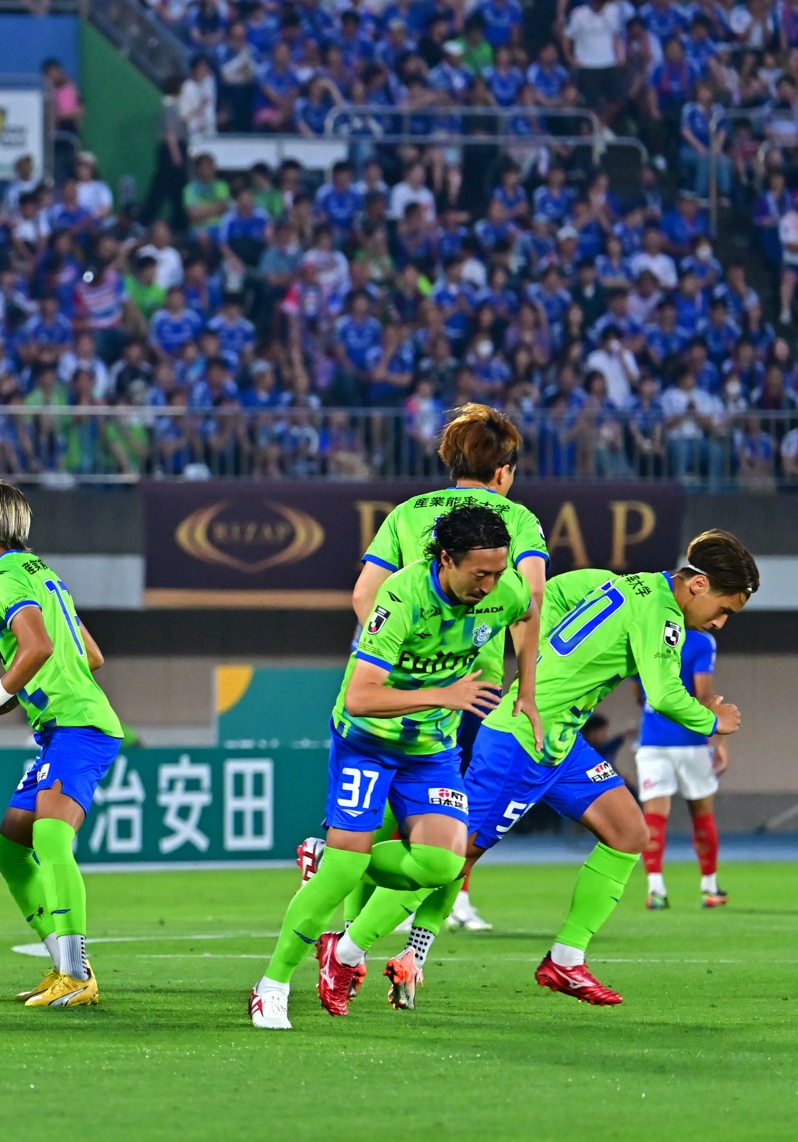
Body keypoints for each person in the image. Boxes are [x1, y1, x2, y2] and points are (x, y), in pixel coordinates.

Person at [412, 530, 752, 1007]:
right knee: (452, 855)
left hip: (561, 742)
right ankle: (353, 915)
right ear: (697, 585)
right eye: (723, 609)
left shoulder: (620, 583)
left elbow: (543, 599)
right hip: (523, 740)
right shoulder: (664, 615)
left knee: (629, 832)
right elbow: (665, 695)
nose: (718, 623)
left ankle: (565, 960)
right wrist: (715, 719)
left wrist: (542, 666)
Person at [250, 504, 531, 1029]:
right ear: (446, 559)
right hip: (368, 743)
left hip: (431, 751)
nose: (492, 585)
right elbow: (359, 697)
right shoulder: (401, 597)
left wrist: (526, 690)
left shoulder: (504, 590)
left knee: (443, 865)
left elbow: (526, 612)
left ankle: (327, 860)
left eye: (498, 571)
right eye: (480, 574)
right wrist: (445, 693)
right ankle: (272, 985)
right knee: (344, 872)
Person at [350, 402, 548, 934]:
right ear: (503, 471)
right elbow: (530, 604)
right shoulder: (517, 521)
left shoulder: (408, 511)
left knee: (382, 814)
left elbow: (365, 594)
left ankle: (341, 935)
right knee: (445, 817)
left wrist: (396, 654)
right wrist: (526, 691)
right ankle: (428, 902)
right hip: (467, 690)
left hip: (392, 684)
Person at [0, 479, 124, 1010]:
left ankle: (77, 972)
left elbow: (38, 646)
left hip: (79, 727)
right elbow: (89, 655)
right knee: (10, 847)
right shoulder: (42, 574)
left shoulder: (2, 582)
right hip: (68, 723)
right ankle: (61, 965)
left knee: (50, 839)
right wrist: (33, 689)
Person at [636, 626, 726, 910]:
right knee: (702, 813)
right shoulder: (700, 641)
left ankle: (656, 889)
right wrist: (720, 739)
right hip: (690, 740)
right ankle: (709, 887)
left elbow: (640, 694)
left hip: (651, 741)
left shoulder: (644, 634)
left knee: (653, 817)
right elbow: (703, 695)